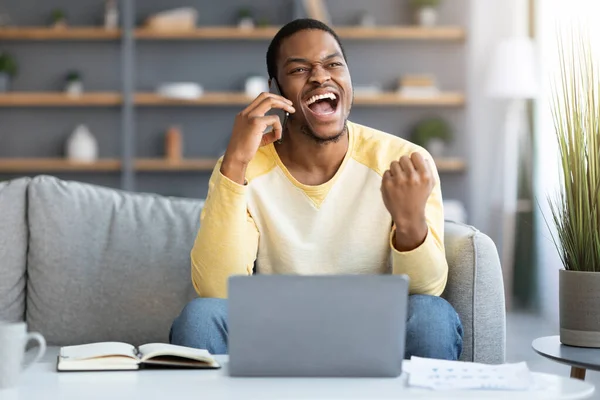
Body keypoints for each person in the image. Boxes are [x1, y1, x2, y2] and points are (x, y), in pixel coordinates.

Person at [170, 18, 463, 360]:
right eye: (299, 69)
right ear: (275, 88)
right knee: (199, 317)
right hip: (274, 329)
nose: (321, 76)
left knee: (433, 316)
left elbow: (426, 292)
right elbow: (216, 290)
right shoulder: (244, 167)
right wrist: (234, 161)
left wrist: (411, 223)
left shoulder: (402, 161)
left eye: (334, 64)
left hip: (372, 328)